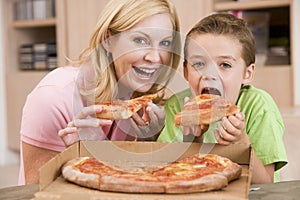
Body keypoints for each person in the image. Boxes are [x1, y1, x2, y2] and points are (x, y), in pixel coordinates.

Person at [19, 0, 181, 185]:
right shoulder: (52, 98)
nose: (154, 57)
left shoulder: (140, 96)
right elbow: (36, 191)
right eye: (140, 40)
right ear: (107, 40)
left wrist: (152, 138)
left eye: (165, 43)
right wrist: (79, 154)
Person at [157, 13, 288, 184]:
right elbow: (170, 175)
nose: (210, 75)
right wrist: (194, 140)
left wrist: (241, 141)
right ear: (186, 71)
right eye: (199, 64)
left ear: (247, 74)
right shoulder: (178, 107)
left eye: (225, 65)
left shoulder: (259, 106)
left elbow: (266, 184)